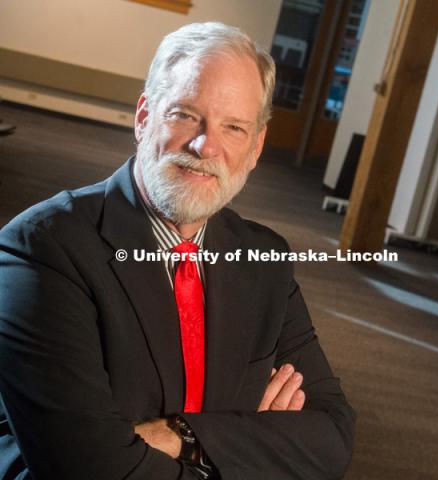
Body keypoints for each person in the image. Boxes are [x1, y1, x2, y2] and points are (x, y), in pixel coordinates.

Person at [0, 22, 355, 480]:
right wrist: (246, 441)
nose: (206, 146)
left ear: (256, 147)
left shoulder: (264, 259)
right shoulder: (43, 249)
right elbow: (91, 468)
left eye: (234, 127)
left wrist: (180, 436)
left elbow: (332, 436)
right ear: (144, 116)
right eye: (186, 115)